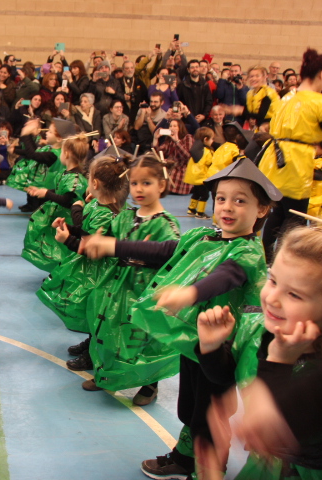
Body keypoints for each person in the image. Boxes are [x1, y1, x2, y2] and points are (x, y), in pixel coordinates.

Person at [85, 159, 280, 479]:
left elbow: (226, 277)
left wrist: (190, 293)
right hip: (195, 340)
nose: (227, 207)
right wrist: (114, 245)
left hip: (223, 348)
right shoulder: (205, 237)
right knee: (190, 406)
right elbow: (166, 250)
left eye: (240, 200)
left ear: (262, 209)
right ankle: (185, 457)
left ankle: (209, 469)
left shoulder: (247, 251)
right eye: (221, 198)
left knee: (209, 414)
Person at [194, 224, 322, 479]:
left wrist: (278, 362)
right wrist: (211, 347)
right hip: (263, 465)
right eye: (273, 280)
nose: (272, 299)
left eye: (294, 295)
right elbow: (229, 376)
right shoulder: (257, 326)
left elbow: (290, 432)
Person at [82, 154, 181, 406]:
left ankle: (150, 383)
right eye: (135, 183)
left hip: (146, 289)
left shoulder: (166, 224)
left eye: (147, 183)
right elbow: (108, 239)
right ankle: (106, 374)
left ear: (161, 185)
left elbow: (172, 254)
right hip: (117, 286)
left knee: (145, 337)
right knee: (109, 330)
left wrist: (138, 250)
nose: (139, 189)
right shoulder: (125, 216)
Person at [37, 154, 128, 341]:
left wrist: (67, 240)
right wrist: (69, 228)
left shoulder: (106, 214)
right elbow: (86, 232)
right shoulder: (96, 204)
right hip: (92, 270)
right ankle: (89, 342)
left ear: (94, 183)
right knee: (89, 308)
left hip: (100, 272)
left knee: (95, 308)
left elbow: (92, 249)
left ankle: (91, 345)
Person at [258, 48, 322, 262]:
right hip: (295, 163)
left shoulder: (287, 96)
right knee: (296, 216)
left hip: (274, 161)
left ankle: (266, 258)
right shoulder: (318, 102)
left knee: (278, 212)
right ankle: (285, 262)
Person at [21, 133, 89, 272]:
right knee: (55, 246)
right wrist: (42, 191)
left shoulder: (75, 178)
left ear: (67, 153)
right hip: (59, 217)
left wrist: (46, 193)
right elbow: (60, 191)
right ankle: (58, 271)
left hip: (68, 219)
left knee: (64, 249)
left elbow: (67, 200)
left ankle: (64, 273)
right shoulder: (67, 173)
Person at [9, 118, 77, 212]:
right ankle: (30, 205)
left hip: (48, 191)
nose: (46, 133)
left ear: (59, 139)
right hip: (44, 187)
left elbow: (33, 154)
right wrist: (30, 136)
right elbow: (35, 152)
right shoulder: (51, 149)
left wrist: (26, 134)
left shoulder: (53, 155)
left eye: (50, 132)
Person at [154, 118, 194, 195]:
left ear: (180, 127)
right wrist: (155, 139)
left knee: (171, 173)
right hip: (170, 165)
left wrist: (177, 141)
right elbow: (159, 153)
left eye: (175, 126)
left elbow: (187, 156)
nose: (172, 128)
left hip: (182, 167)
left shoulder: (188, 137)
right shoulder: (169, 139)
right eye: (170, 126)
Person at [184, 127, 216, 218]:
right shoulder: (207, 151)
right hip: (202, 178)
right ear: (206, 139)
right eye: (212, 139)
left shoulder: (196, 151)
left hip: (195, 177)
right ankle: (200, 212)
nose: (213, 141)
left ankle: (191, 209)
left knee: (196, 193)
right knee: (205, 195)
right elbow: (210, 162)